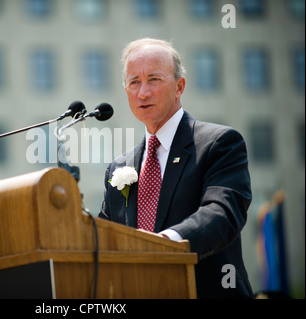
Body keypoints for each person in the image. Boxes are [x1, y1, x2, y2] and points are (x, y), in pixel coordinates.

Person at [99, 38, 253, 299]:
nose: (143, 92)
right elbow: (104, 241)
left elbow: (222, 214)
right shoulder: (118, 168)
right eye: (134, 82)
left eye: (154, 79)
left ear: (180, 86)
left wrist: (163, 245)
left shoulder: (220, 143)